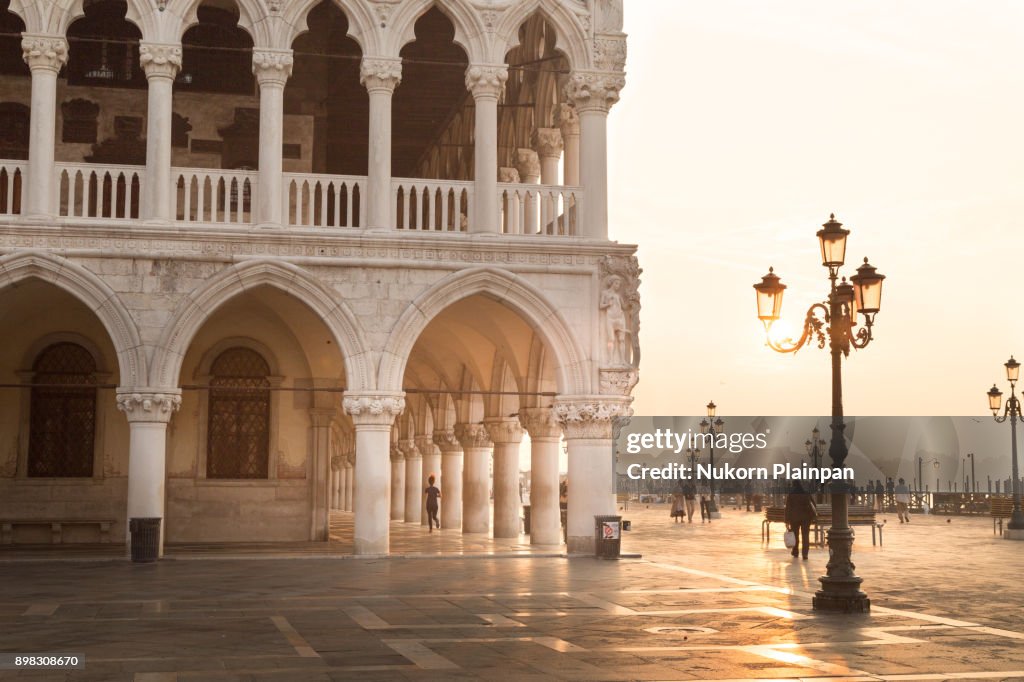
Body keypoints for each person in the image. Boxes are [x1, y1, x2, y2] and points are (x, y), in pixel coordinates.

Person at [784, 480, 817, 559]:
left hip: (794, 518)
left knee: (795, 535)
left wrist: (786, 520)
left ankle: (795, 552)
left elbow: (788, 508)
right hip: (806, 519)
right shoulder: (806, 493)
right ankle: (805, 554)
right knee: (805, 536)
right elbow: (813, 505)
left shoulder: (791, 495)